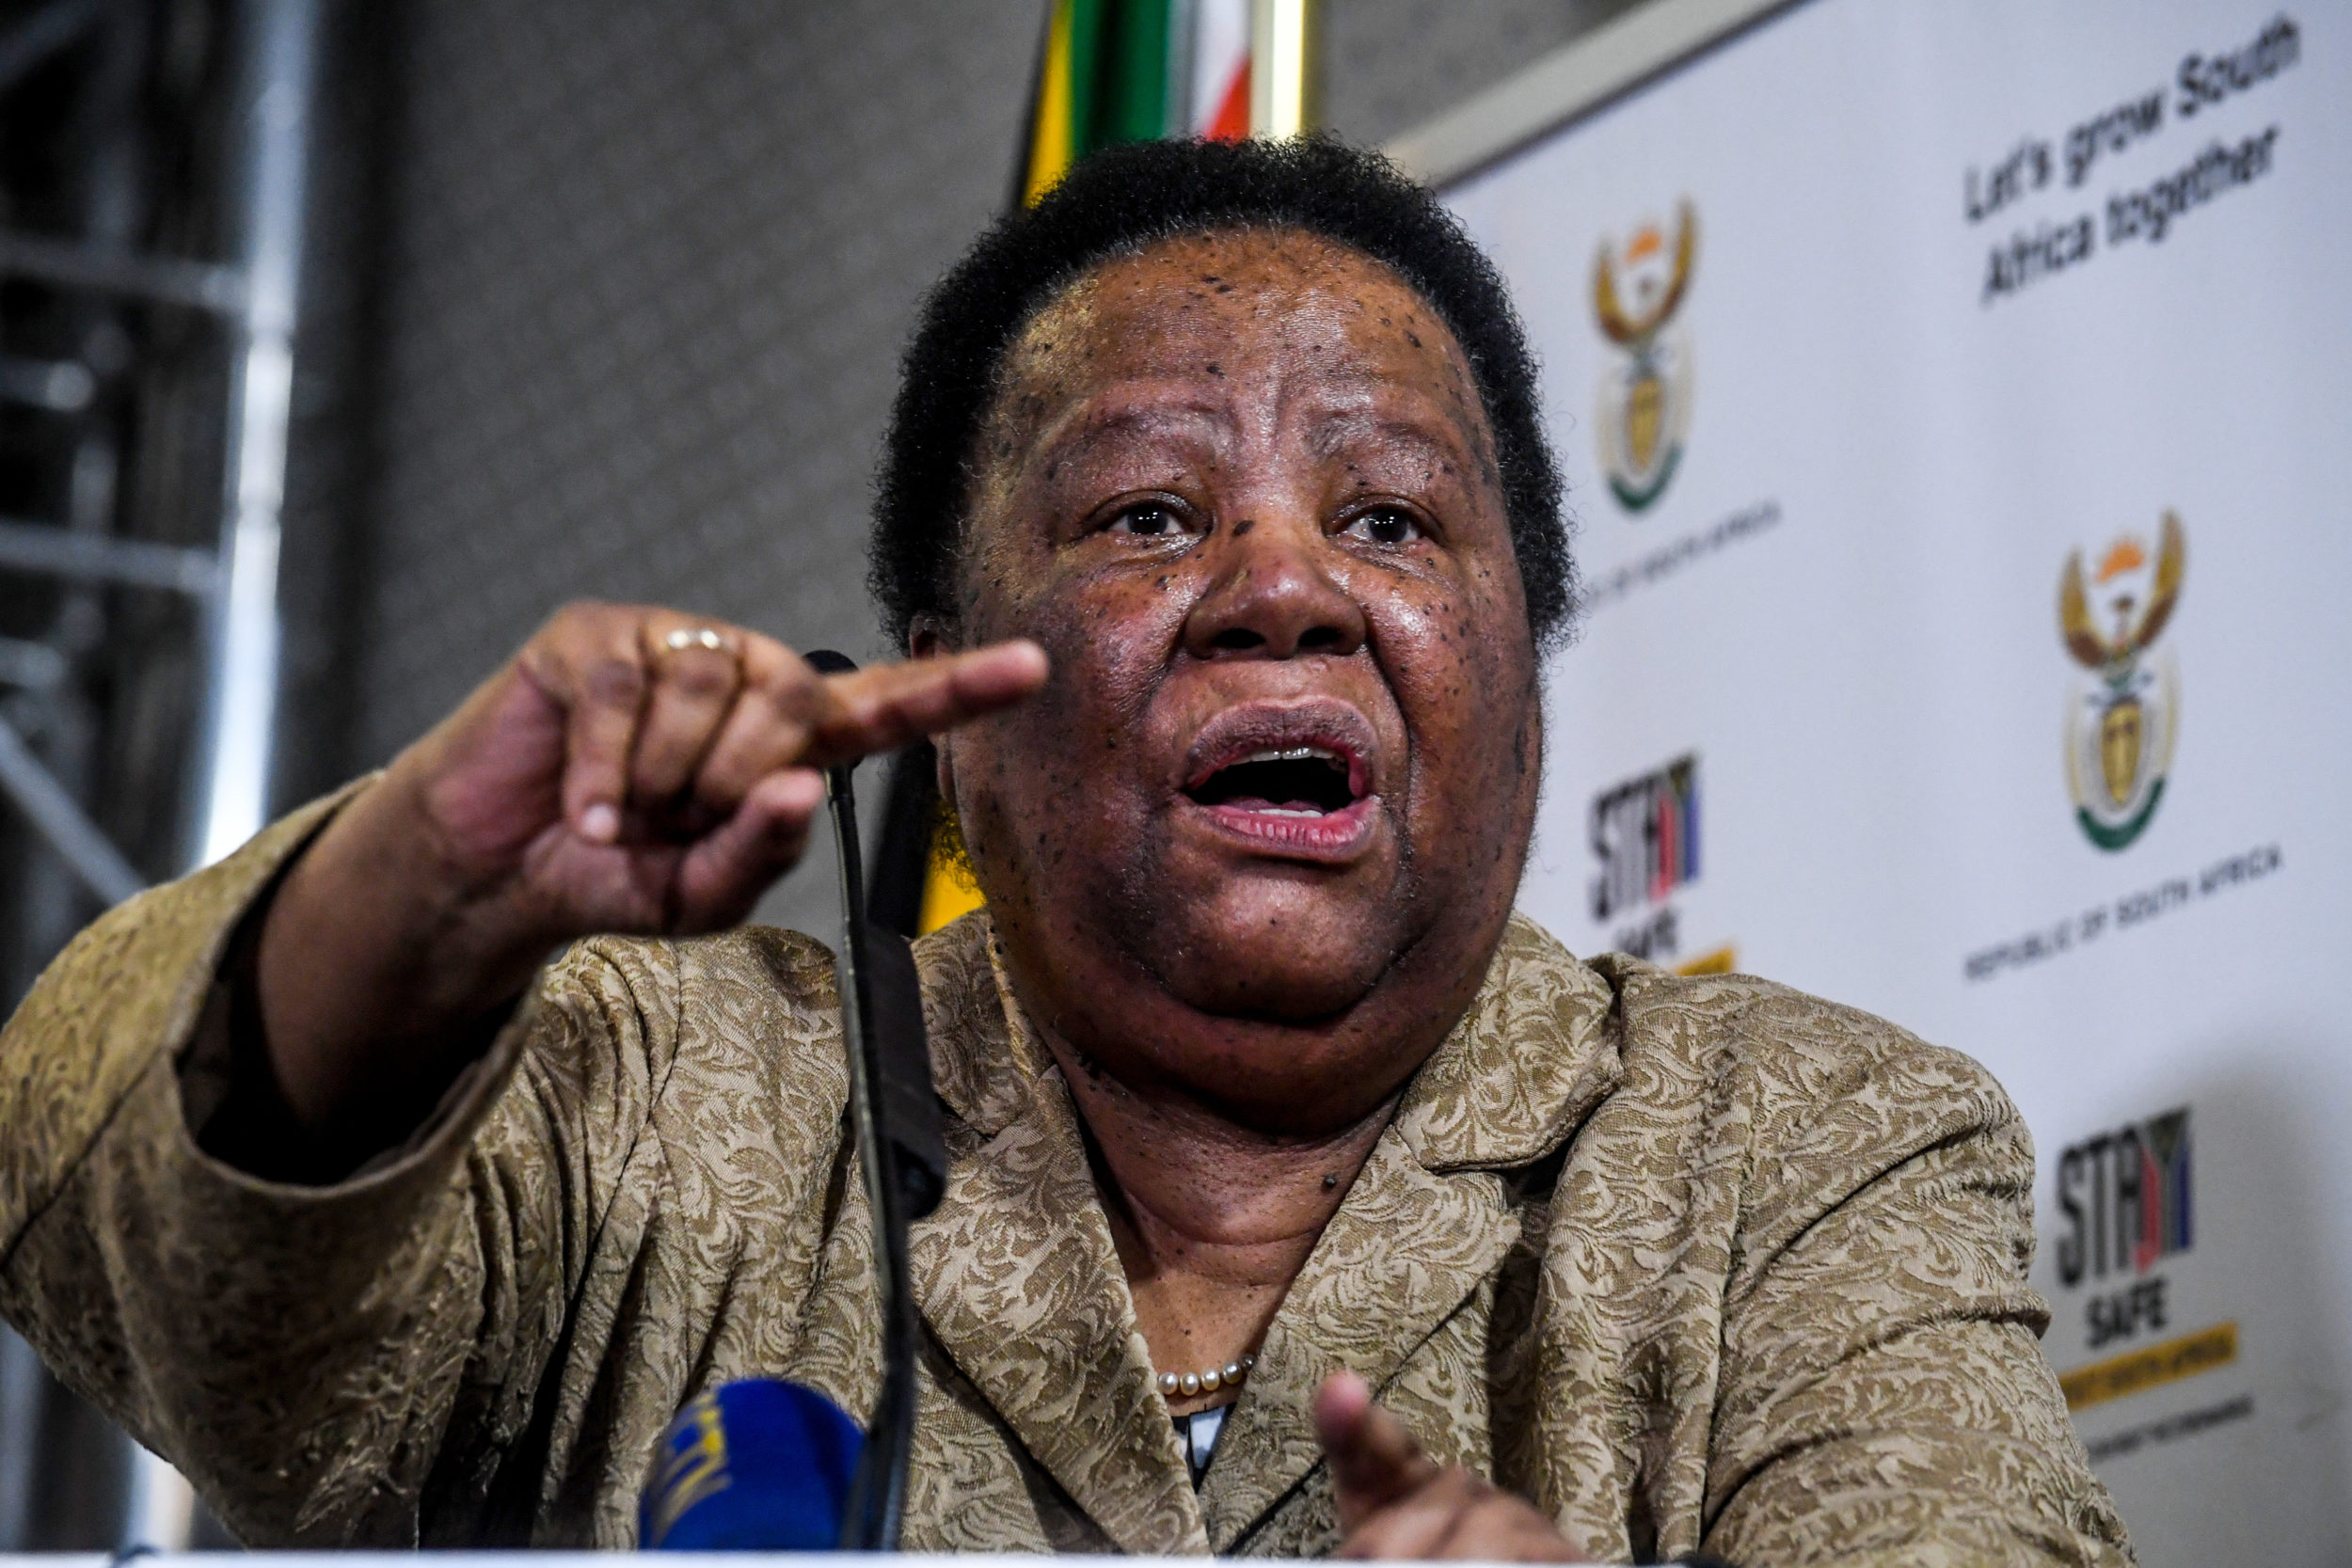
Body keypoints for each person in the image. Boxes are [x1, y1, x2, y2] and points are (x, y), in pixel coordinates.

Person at [0, 136, 2129, 1562]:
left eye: (1391, 517)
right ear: (945, 687)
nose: (1281, 587)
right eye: (1147, 514)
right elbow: (114, 1233)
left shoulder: (1801, 1157)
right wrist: (426, 891)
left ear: (1523, 656)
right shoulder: (663, 1103)